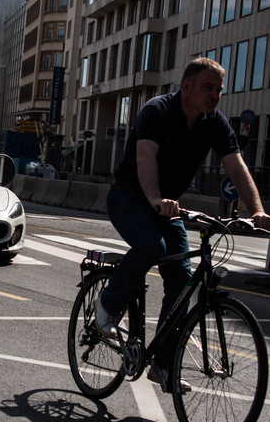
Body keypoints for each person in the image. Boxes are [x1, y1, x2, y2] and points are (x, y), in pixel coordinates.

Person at [94, 58, 270, 393]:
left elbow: (236, 166)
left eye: (219, 89)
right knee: (153, 246)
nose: (215, 95)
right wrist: (157, 199)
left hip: (167, 207)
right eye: (208, 87)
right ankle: (108, 304)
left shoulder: (214, 123)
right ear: (186, 86)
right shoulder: (157, 110)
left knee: (183, 279)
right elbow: (146, 157)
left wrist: (258, 211)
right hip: (130, 197)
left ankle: (162, 363)